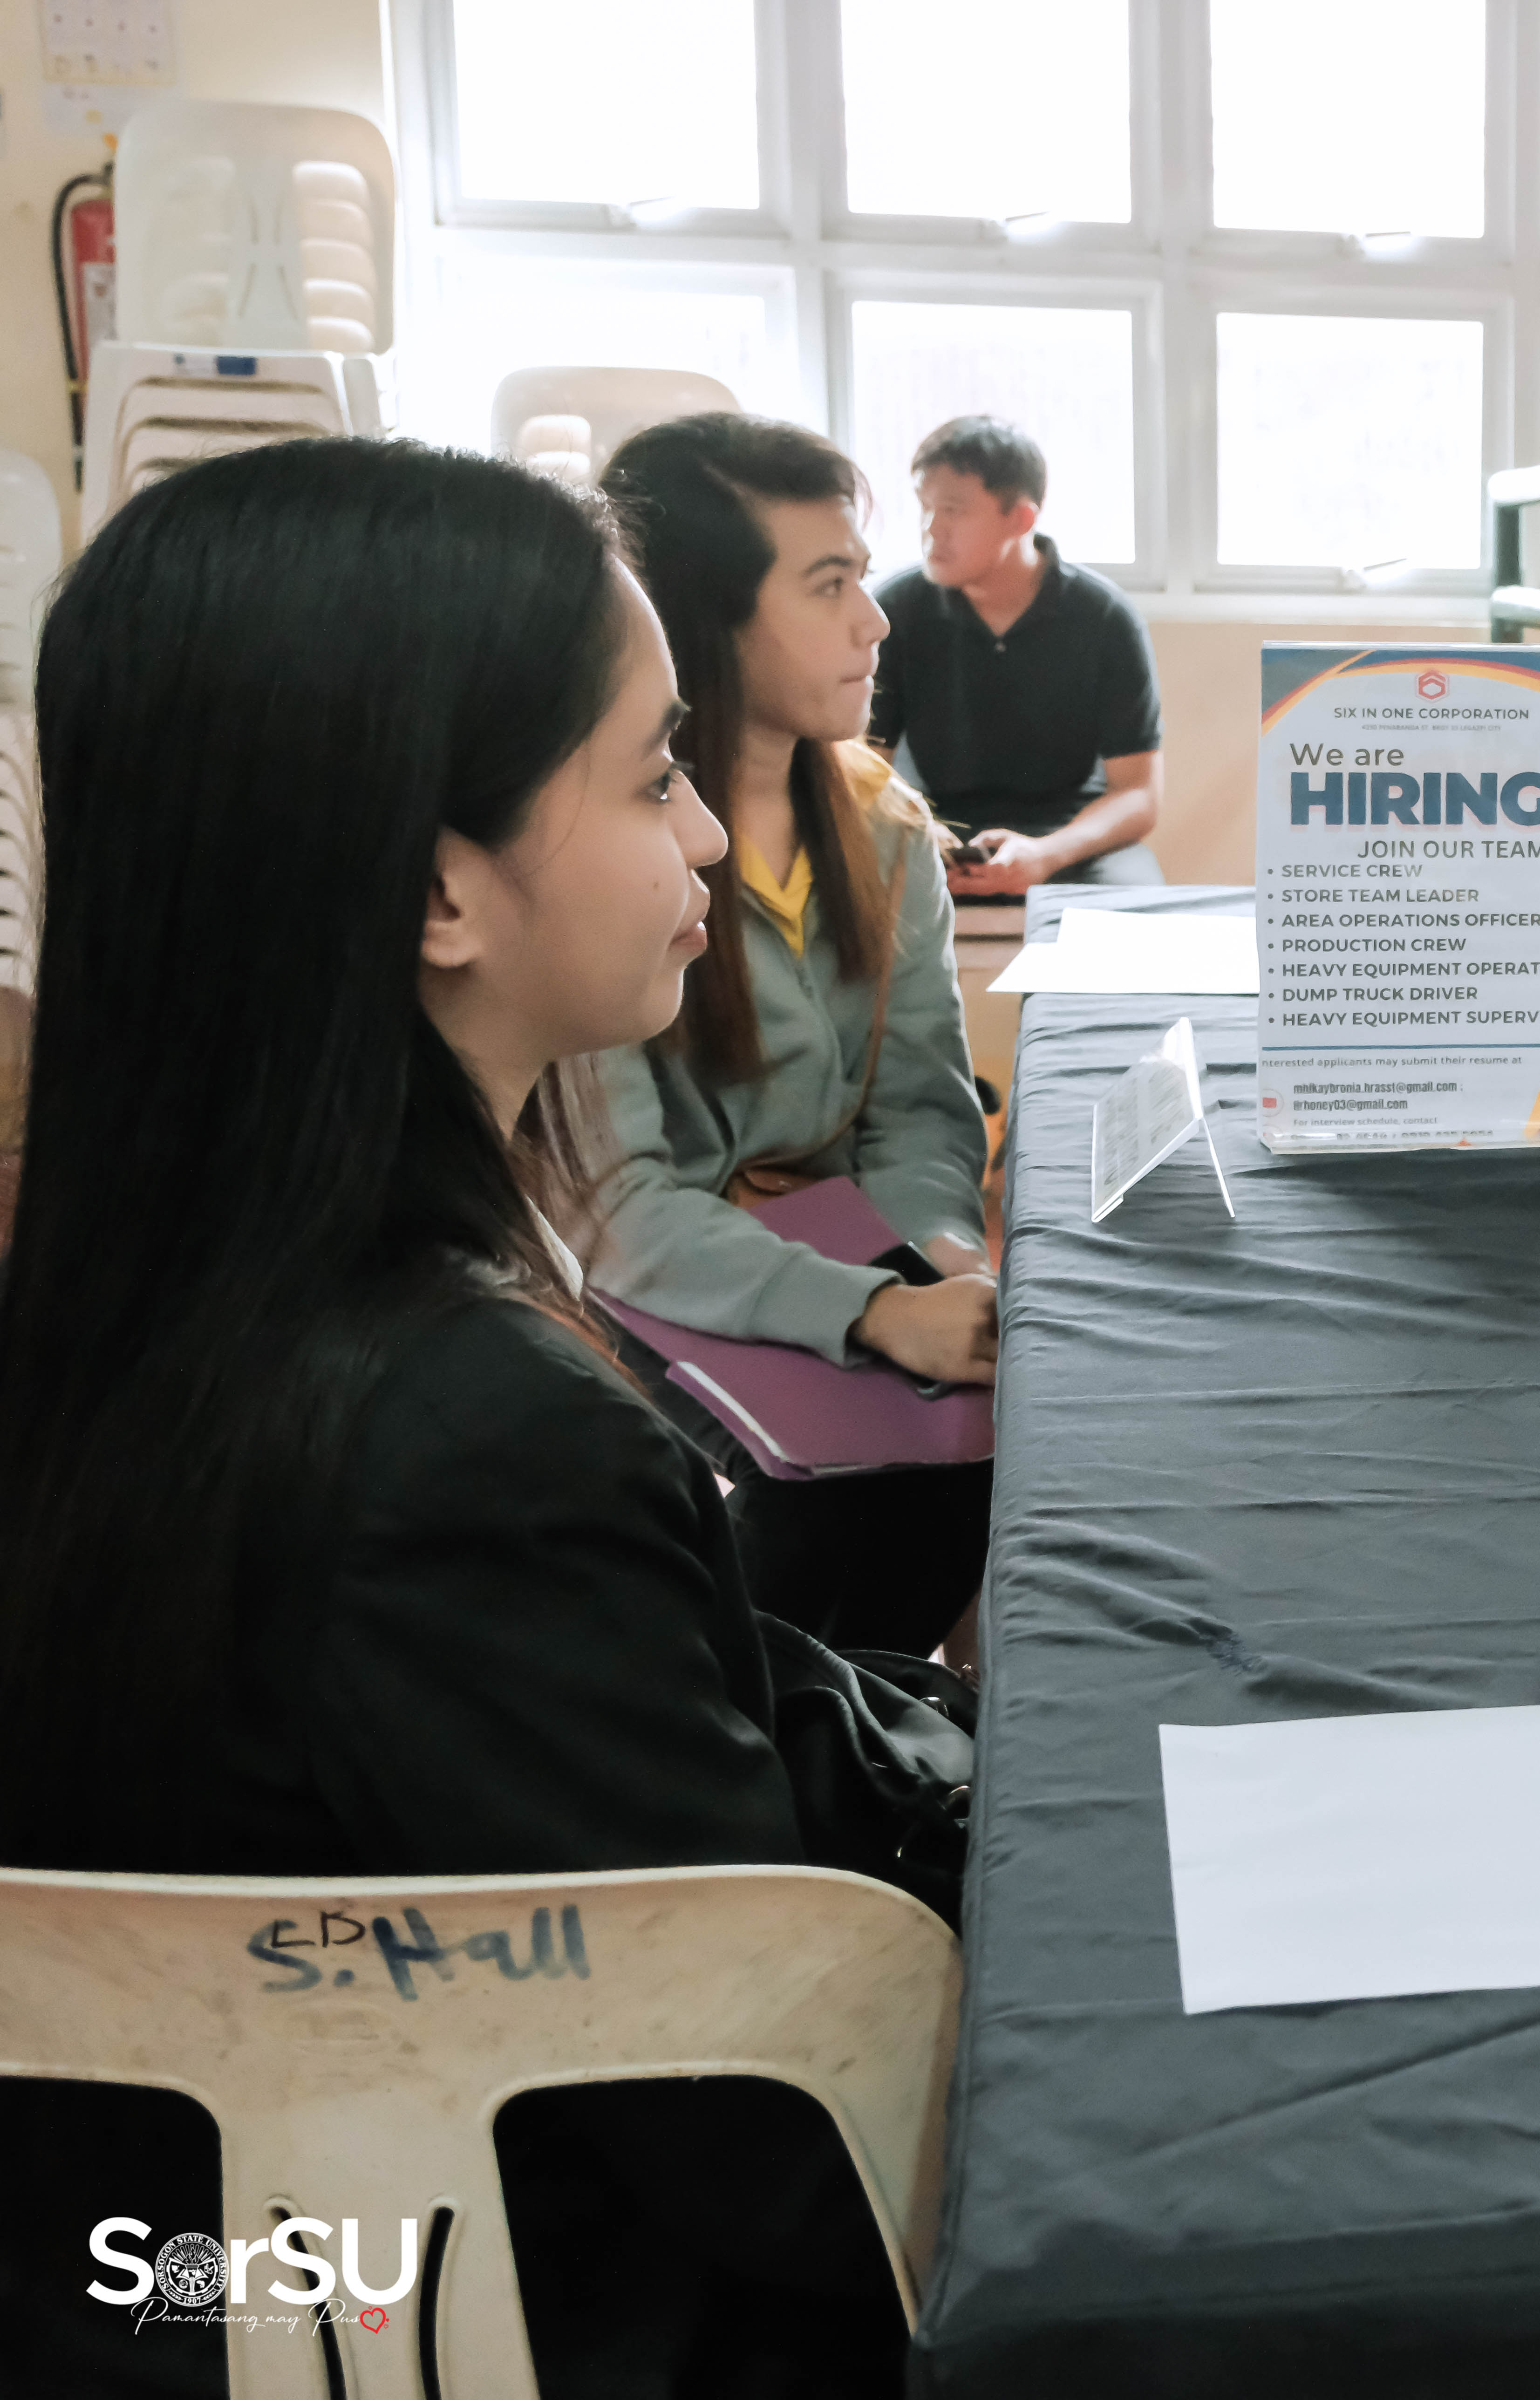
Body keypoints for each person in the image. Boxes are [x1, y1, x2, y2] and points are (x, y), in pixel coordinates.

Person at [0, 438, 930, 2394]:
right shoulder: (457, 1439)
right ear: (441, 885)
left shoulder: (152, 1286)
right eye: (653, 775)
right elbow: (772, 2131)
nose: (703, 837)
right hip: (448, 2300)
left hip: (165, 2262)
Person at [597, 413, 995, 1660]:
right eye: (829, 586)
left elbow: (922, 1104)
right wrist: (872, 1310)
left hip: (842, 1240)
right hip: (653, 1276)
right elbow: (618, 1207)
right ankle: (767, 1733)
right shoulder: (607, 856)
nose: (875, 622)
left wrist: (934, 1257)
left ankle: (864, 1729)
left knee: (981, 1447)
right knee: (834, 1507)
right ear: (704, 622)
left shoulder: (884, 828)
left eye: (863, 577)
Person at [868, 414, 1165, 893]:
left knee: (1134, 904)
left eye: (953, 511)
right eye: (925, 508)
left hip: (1070, 837)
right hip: (932, 829)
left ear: (1022, 519)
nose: (931, 529)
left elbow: (1138, 793)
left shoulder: (1104, 616)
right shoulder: (893, 611)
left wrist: (1047, 854)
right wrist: (919, 832)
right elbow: (859, 767)